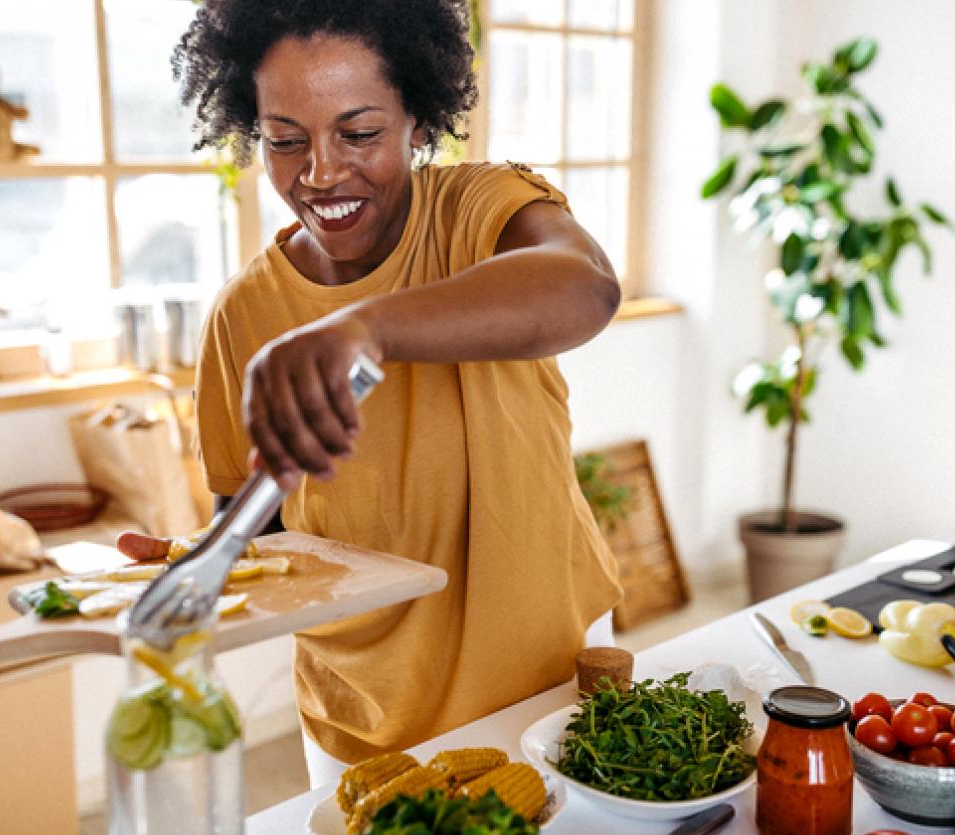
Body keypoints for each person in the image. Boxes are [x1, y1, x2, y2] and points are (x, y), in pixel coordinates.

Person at [118, 0, 623, 786]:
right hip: (360, 711)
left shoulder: (479, 213)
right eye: (285, 140)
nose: (319, 172)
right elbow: (260, 520)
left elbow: (585, 288)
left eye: (358, 133)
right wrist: (209, 562)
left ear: (418, 120)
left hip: (548, 675)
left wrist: (365, 328)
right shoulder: (243, 313)